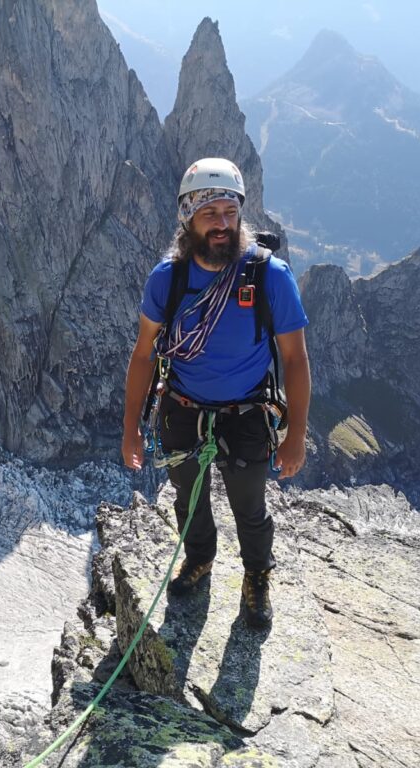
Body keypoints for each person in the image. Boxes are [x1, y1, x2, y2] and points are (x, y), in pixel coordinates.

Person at [121, 157, 311, 629]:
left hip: (246, 411)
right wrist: (130, 430)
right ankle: (201, 557)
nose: (223, 224)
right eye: (211, 214)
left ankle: (257, 576)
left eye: (231, 212)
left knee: (250, 504)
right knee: (188, 497)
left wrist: (295, 435)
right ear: (188, 217)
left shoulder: (270, 276)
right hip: (182, 407)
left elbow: (294, 359)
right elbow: (144, 355)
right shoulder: (168, 280)